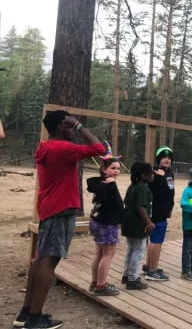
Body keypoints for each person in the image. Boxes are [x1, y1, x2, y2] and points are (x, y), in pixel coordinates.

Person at [13, 110, 104, 329]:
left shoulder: (45, 147)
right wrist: (80, 126)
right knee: (49, 261)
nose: (72, 129)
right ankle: (35, 318)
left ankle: (25, 313)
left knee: (40, 259)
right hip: (61, 209)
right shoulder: (63, 148)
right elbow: (100, 149)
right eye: (68, 125)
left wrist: (74, 126)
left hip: (49, 208)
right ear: (59, 126)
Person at [87, 147, 124, 296]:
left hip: (98, 220)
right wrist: (112, 185)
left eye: (118, 168)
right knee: (108, 254)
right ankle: (101, 286)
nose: (116, 171)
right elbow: (115, 204)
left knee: (99, 253)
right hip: (106, 223)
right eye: (112, 168)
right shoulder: (107, 185)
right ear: (104, 169)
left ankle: (95, 282)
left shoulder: (100, 183)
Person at [121, 162, 155, 290]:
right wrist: (149, 223)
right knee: (139, 251)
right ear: (144, 175)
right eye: (150, 172)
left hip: (128, 223)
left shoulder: (132, 186)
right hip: (138, 225)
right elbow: (141, 207)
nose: (153, 174)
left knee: (130, 249)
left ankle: (126, 275)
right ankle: (133, 279)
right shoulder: (143, 188)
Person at [144, 146, 174, 281]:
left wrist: (170, 209)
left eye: (169, 158)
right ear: (158, 159)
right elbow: (154, 191)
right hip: (156, 212)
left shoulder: (170, 173)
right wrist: (159, 178)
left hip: (164, 211)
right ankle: (152, 270)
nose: (167, 160)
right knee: (156, 241)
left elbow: (170, 192)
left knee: (155, 240)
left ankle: (149, 265)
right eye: (164, 157)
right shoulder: (154, 173)